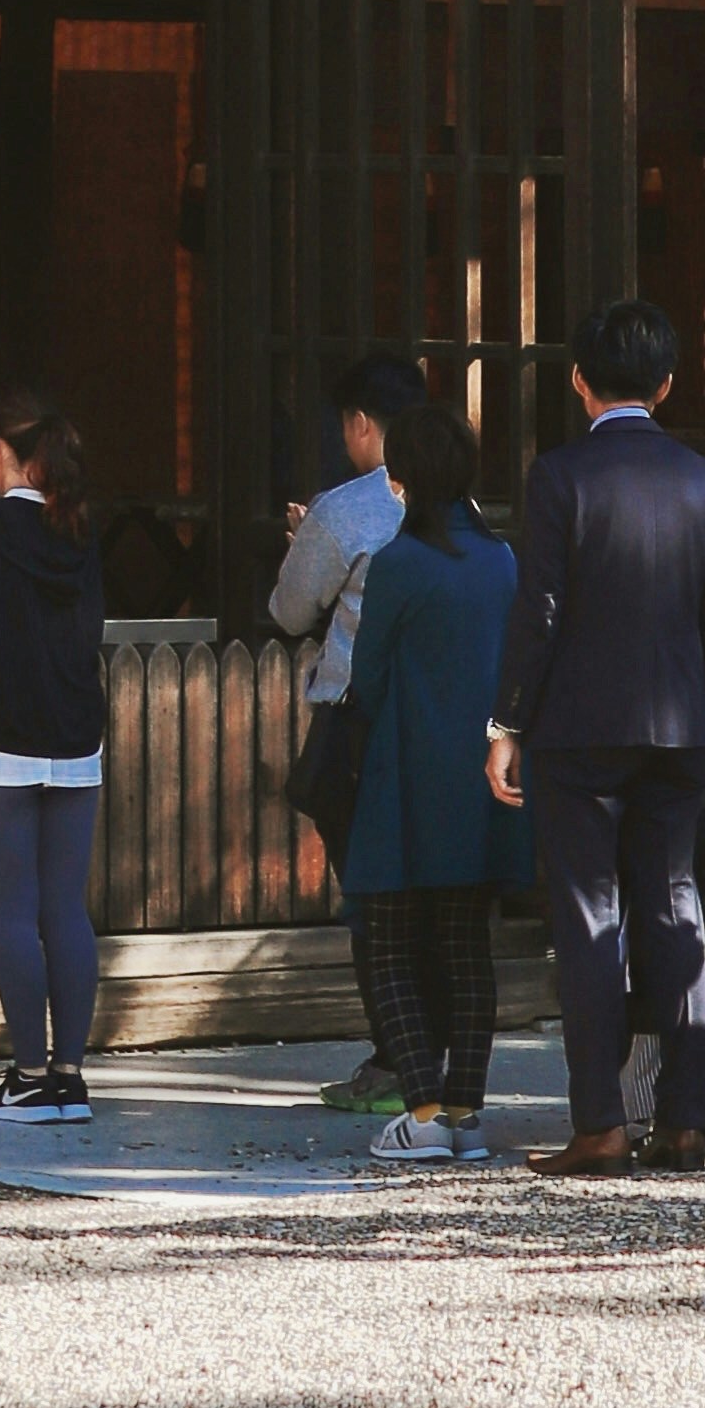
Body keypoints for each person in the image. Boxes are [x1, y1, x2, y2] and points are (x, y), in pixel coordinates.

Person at [488, 297, 705, 1180]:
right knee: (675, 905)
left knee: (590, 915)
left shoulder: (560, 476)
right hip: (679, 724)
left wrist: (507, 719)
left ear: (578, 381)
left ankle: (599, 1121)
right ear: (665, 385)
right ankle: (683, 1119)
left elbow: (541, 607)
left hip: (579, 723)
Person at [341, 392, 529, 1164]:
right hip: (488, 774)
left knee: (388, 945)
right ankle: (464, 1112)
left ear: (402, 477)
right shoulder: (503, 558)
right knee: (465, 947)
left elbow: (368, 677)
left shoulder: (397, 564)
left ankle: (420, 1111)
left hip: (404, 774)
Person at [0, 386, 109, 1114]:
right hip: (75, 733)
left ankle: (29, 1075)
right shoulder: (79, 531)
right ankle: (69, 1076)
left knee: (13, 912)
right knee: (66, 908)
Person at [271, 348, 430, 1119]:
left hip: (358, 722)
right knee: (433, 892)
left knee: (369, 895)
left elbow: (291, 613)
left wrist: (307, 540)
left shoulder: (348, 507)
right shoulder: (451, 501)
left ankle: (394, 1055)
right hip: (437, 721)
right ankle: (429, 1054)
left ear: (362, 423)